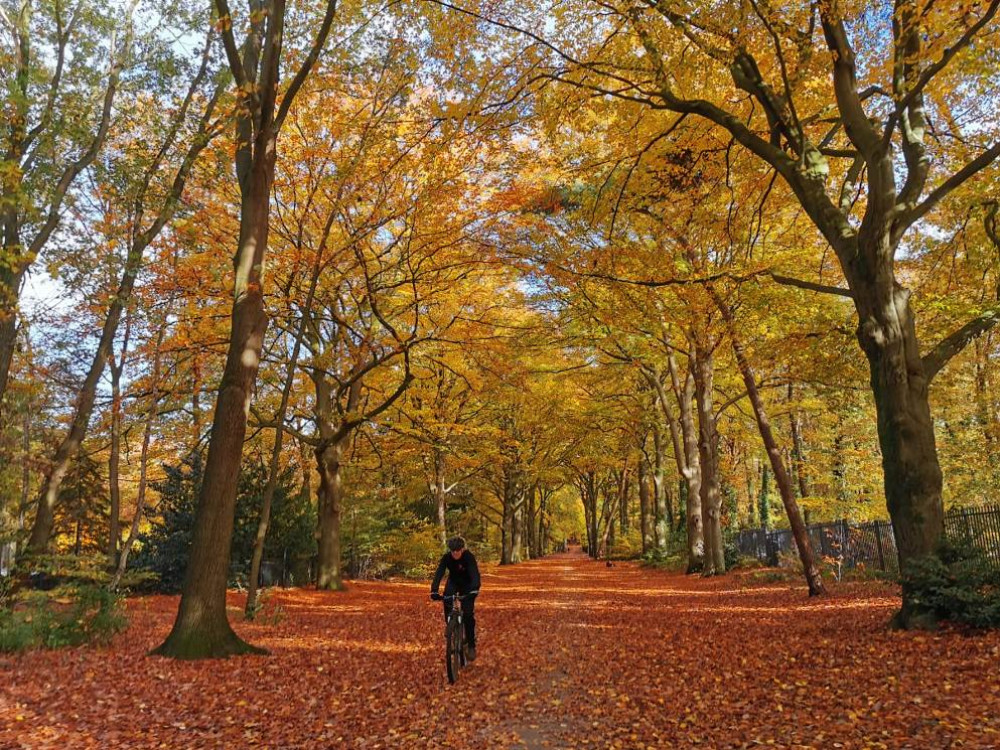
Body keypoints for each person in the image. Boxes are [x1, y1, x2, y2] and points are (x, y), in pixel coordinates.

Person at [430, 536, 480, 661]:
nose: (455, 553)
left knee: (468, 614)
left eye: (458, 550)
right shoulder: (447, 558)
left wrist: (474, 589)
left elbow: (475, 574)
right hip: (453, 582)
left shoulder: (469, 557)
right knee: (447, 599)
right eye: (453, 551)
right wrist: (434, 590)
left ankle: (471, 646)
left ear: (462, 549)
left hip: (468, 584)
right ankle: (450, 624)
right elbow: (439, 573)